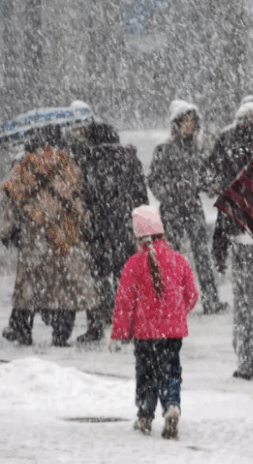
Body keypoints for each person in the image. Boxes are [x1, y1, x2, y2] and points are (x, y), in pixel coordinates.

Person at [0, 125, 97, 347]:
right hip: (64, 235)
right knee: (65, 289)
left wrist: (9, 229)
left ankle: (23, 330)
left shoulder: (24, 166)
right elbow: (78, 200)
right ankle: (61, 335)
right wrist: (83, 224)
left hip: (35, 236)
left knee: (29, 287)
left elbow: (10, 197)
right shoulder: (69, 165)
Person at [110, 205, 199, 440]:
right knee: (171, 370)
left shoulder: (133, 264)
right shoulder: (178, 260)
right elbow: (192, 294)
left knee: (146, 374)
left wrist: (120, 333)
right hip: (172, 333)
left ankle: (145, 416)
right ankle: (172, 405)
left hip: (145, 333)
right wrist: (177, 315)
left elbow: (125, 302)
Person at [207, 95, 253, 380]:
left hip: (243, 237)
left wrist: (220, 243)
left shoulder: (228, 141)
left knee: (244, 305)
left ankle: (247, 362)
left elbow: (212, 179)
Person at [68, 119, 150, 343]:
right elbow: (141, 195)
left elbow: (82, 195)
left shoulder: (88, 160)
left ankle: (96, 325)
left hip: (98, 227)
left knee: (97, 277)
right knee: (125, 277)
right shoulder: (129, 159)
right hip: (124, 226)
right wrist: (145, 230)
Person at [147, 99, 226, 315]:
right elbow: (154, 180)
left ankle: (210, 299)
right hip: (172, 208)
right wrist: (170, 192)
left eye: (192, 121)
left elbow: (203, 176)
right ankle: (171, 301)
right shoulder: (164, 148)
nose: (189, 125)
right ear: (176, 124)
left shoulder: (197, 149)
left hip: (192, 206)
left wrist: (210, 186)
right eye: (185, 121)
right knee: (171, 257)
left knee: (202, 254)